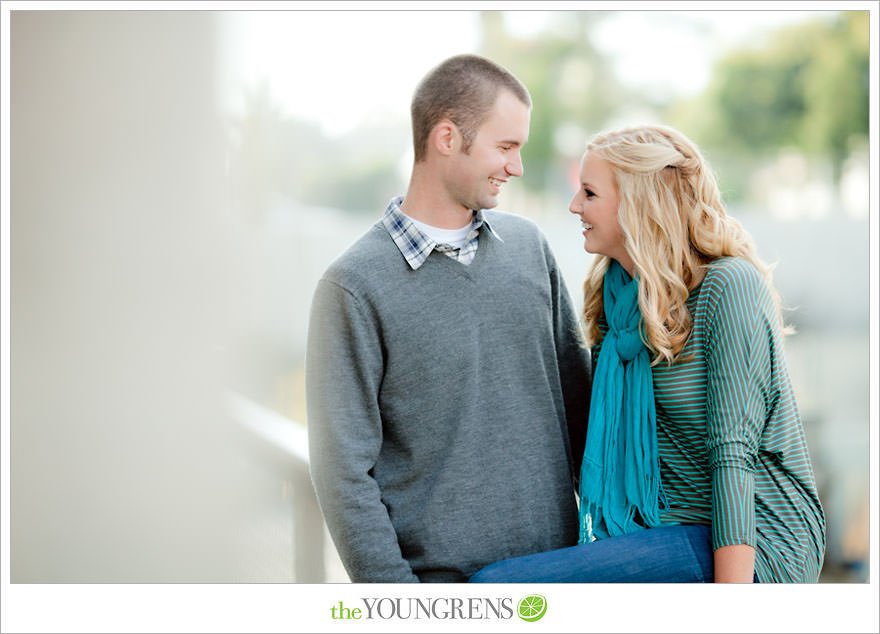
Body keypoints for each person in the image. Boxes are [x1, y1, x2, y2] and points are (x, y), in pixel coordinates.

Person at [469, 124, 826, 583]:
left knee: (498, 589)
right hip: (668, 530)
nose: (575, 205)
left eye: (590, 192)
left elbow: (732, 453)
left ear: (640, 202)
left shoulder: (727, 287)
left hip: (755, 541)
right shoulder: (617, 302)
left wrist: (735, 610)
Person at [305, 54, 591, 583]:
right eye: (505, 147)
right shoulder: (352, 287)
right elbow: (342, 471)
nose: (517, 166)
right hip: (444, 594)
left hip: (559, 577)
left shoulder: (530, 250)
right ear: (446, 138)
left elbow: (581, 407)